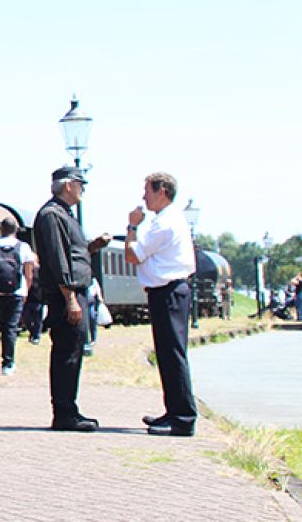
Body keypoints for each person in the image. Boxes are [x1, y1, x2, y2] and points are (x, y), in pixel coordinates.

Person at [33, 166, 112, 432]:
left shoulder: (64, 215)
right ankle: (64, 412)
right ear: (68, 185)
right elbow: (57, 258)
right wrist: (70, 298)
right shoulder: (51, 215)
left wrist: (93, 246)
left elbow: (71, 252)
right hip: (65, 294)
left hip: (73, 291)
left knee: (74, 350)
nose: (83, 189)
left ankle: (70, 408)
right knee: (67, 351)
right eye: (81, 184)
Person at [126, 171, 198, 437]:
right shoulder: (167, 220)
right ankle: (175, 411)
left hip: (168, 292)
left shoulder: (164, 223)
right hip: (168, 292)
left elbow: (133, 255)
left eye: (147, 190)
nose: (144, 196)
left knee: (171, 353)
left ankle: (182, 418)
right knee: (168, 354)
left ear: (162, 191)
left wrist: (132, 226)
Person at [0, 217, 35, 375]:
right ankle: (8, 363)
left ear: (1, 229)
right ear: (16, 230)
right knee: (11, 327)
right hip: (17, 292)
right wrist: (26, 290)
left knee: (5, 325)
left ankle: (6, 360)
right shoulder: (24, 247)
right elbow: (29, 273)